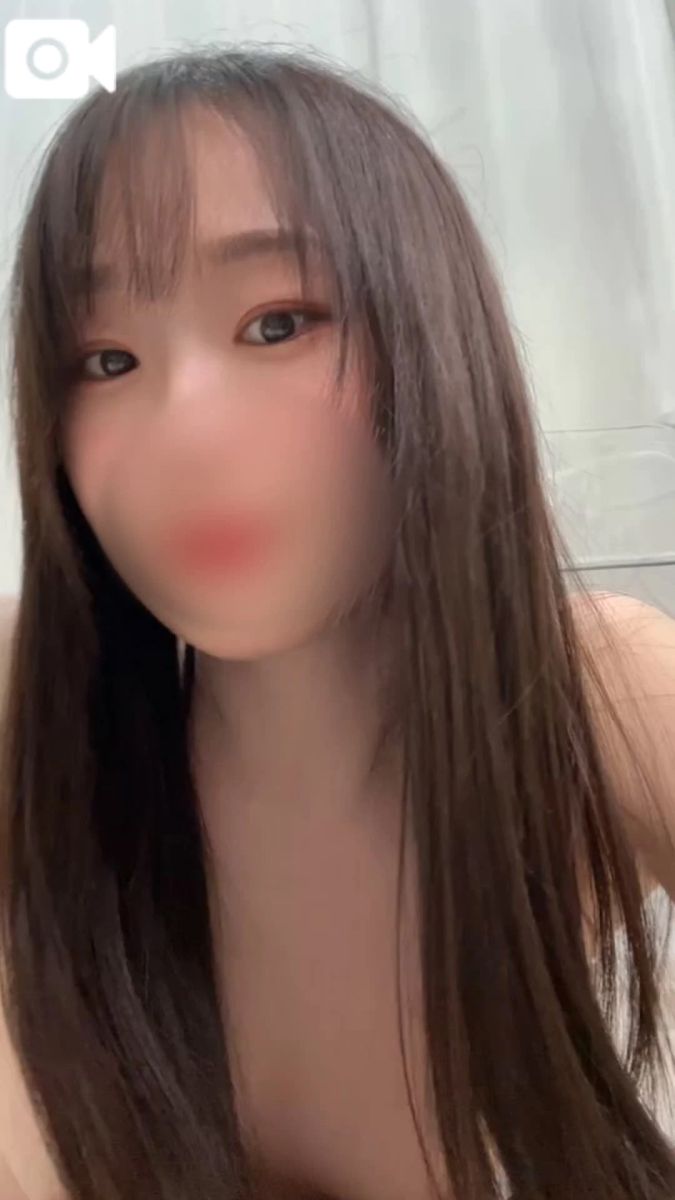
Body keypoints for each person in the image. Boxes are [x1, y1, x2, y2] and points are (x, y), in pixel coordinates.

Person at [2, 42, 675, 1200]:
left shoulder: (593, 686)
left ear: (430, 340)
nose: (187, 433)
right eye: (106, 359)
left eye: (278, 324)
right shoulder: (32, 704)